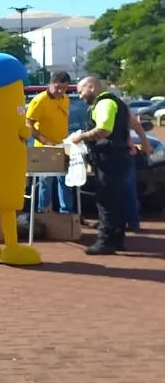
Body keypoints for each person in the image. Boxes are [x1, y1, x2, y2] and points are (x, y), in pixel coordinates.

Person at [68, 76, 132, 255]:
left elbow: (104, 130)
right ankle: (117, 239)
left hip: (109, 158)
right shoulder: (116, 103)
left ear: (91, 86)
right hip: (116, 157)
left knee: (106, 201)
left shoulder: (104, 104)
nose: (80, 96)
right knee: (117, 200)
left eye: (81, 91)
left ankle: (106, 241)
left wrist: (80, 137)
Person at [26, 71, 75, 214]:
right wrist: (45, 141)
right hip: (44, 148)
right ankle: (44, 213)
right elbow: (28, 125)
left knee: (65, 182)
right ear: (50, 84)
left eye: (64, 88)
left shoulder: (65, 99)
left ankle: (66, 214)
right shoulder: (39, 100)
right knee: (45, 183)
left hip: (63, 146)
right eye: (57, 87)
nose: (60, 91)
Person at [125, 112, 153, 232]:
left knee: (128, 188)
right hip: (101, 153)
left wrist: (145, 143)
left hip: (122, 152)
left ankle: (132, 221)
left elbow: (134, 122)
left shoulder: (114, 104)